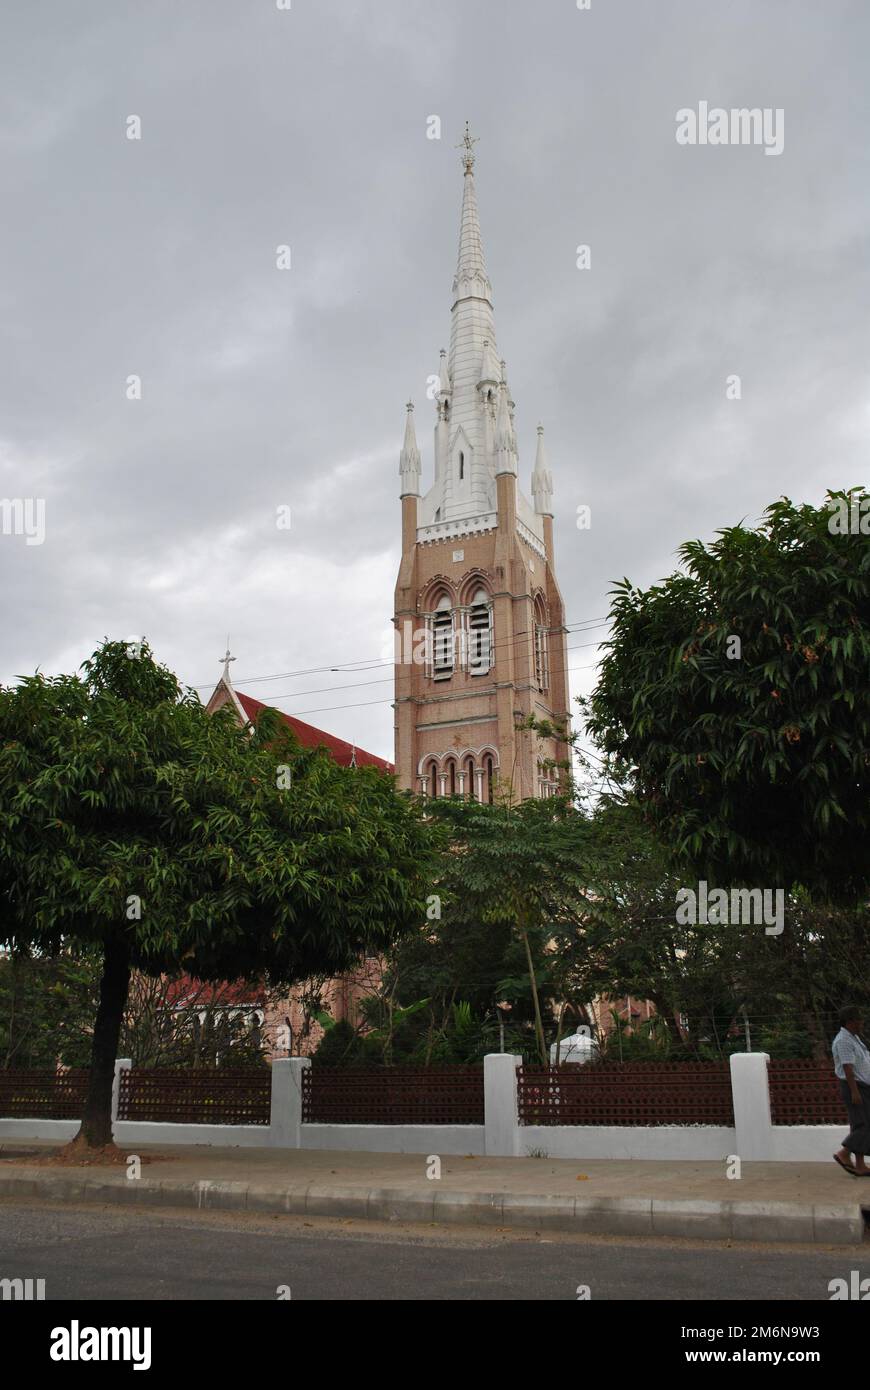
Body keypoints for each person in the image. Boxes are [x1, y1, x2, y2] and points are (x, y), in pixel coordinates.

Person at [832, 1006, 870, 1176]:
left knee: (859, 1125)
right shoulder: (844, 1040)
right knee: (864, 1125)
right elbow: (848, 1068)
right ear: (849, 1022)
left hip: (861, 1086)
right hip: (854, 1086)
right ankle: (844, 1153)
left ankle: (860, 1165)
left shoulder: (854, 1038)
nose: (861, 1023)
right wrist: (855, 1092)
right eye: (858, 1020)